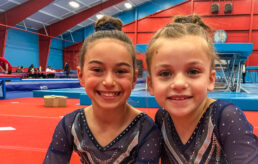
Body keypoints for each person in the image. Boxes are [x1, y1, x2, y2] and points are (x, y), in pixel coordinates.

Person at [43, 16, 162, 164]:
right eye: (97, 69)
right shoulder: (70, 125)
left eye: (120, 71)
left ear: (133, 79)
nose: (109, 82)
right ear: (81, 75)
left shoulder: (145, 129)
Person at [145, 14, 258, 163]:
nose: (179, 83)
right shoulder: (162, 119)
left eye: (193, 71)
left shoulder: (226, 118)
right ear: (151, 84)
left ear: (211, 79)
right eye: (165, 73)